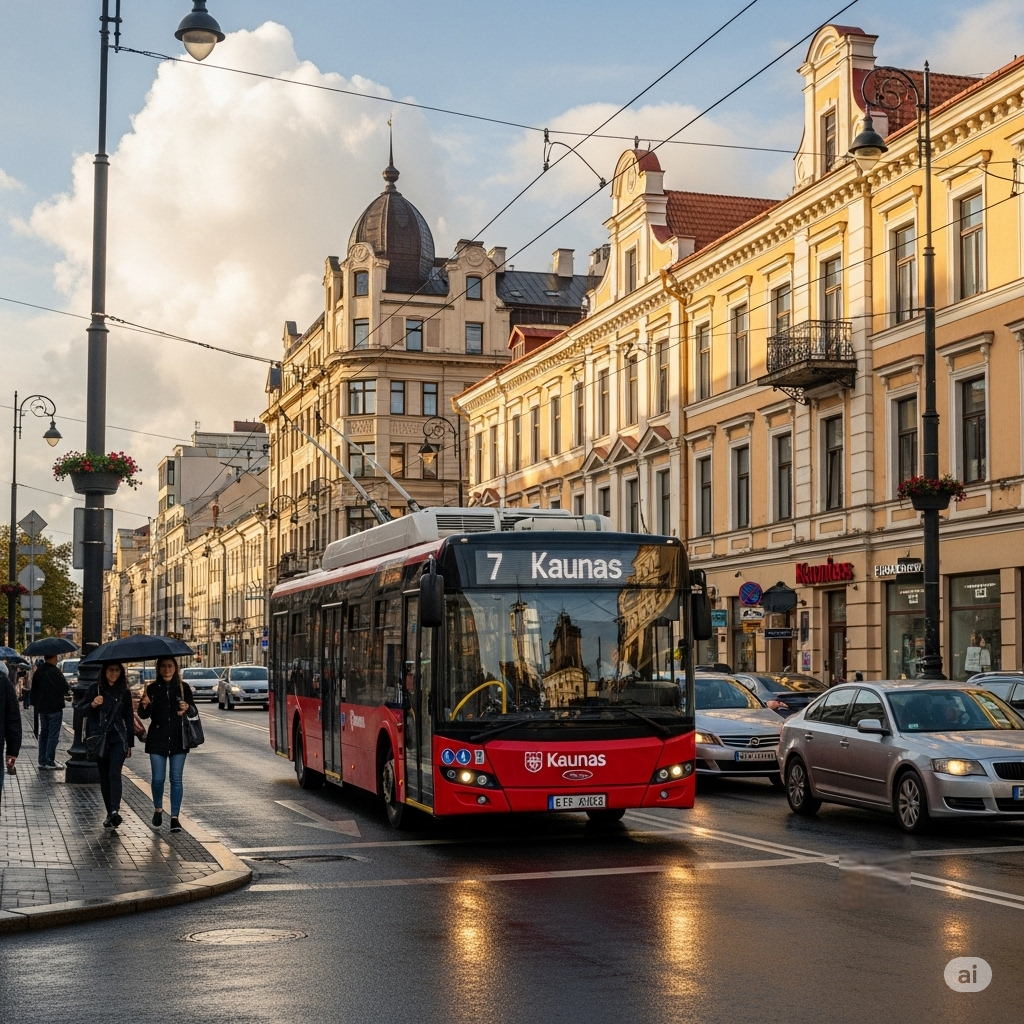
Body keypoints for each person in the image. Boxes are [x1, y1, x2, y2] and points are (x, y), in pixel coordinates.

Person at [138, 656, 193, 833]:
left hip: (178, 739)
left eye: (170, 666)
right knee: (158, 779)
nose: (167, 669)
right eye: (163, 666)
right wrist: (144, 704)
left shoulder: (183, 688)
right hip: (157, 739)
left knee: (176, 779)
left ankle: (175, 817)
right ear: (159, 669)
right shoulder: (152, 688)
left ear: (175, 668)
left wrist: (187, 708)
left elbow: (193, 710)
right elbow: (144, 715)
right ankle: (158, 809)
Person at [75, 662, 134, 828]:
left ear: (121, 672)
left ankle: (115, 810)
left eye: (116, 670)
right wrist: (93, 704)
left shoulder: (124, 691)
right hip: (100, 739)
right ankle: (110, 813)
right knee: (104, 776)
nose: (114, 673)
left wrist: (130, 743)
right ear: (105, 672)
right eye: (111, 670)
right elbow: (80, 710)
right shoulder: (95, 689)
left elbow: (129, 717)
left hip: (118, 738)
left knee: (114, 773)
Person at [30, 653, 71, 770]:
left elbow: (34, 690)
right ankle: (50, 760)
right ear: (54, 658)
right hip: (55, 707)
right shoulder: (56, 672)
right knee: (53, 735)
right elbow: (65, 688)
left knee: (44, 733)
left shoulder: (39, 671)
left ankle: (42, 760)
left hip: (42, 708)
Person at [0, 661, 22, 817]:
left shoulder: (3, 682)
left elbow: (12, 718)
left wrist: (12, 751)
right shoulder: (4, 681)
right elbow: (13, 718)